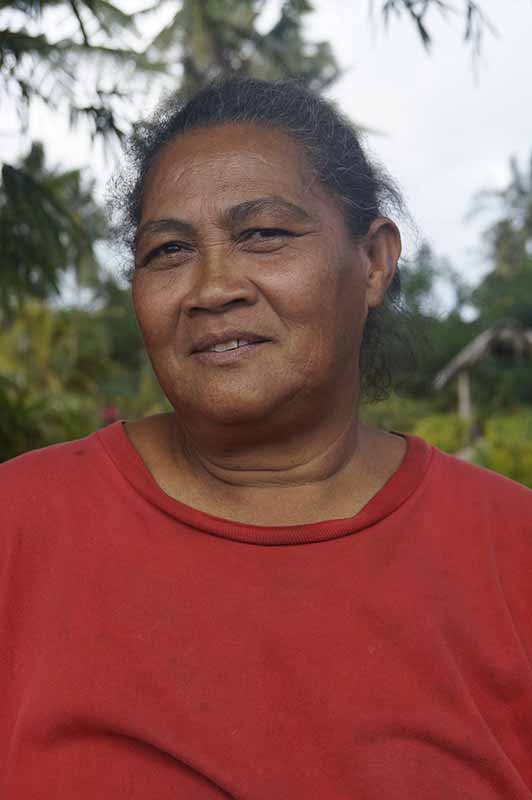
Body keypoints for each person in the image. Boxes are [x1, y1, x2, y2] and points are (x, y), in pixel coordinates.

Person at [2, 78, 532, 800]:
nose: (213, 287)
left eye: (263, 235)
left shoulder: (512, 551)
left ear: (374, 261)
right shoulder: (21, 526)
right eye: (168, 250)